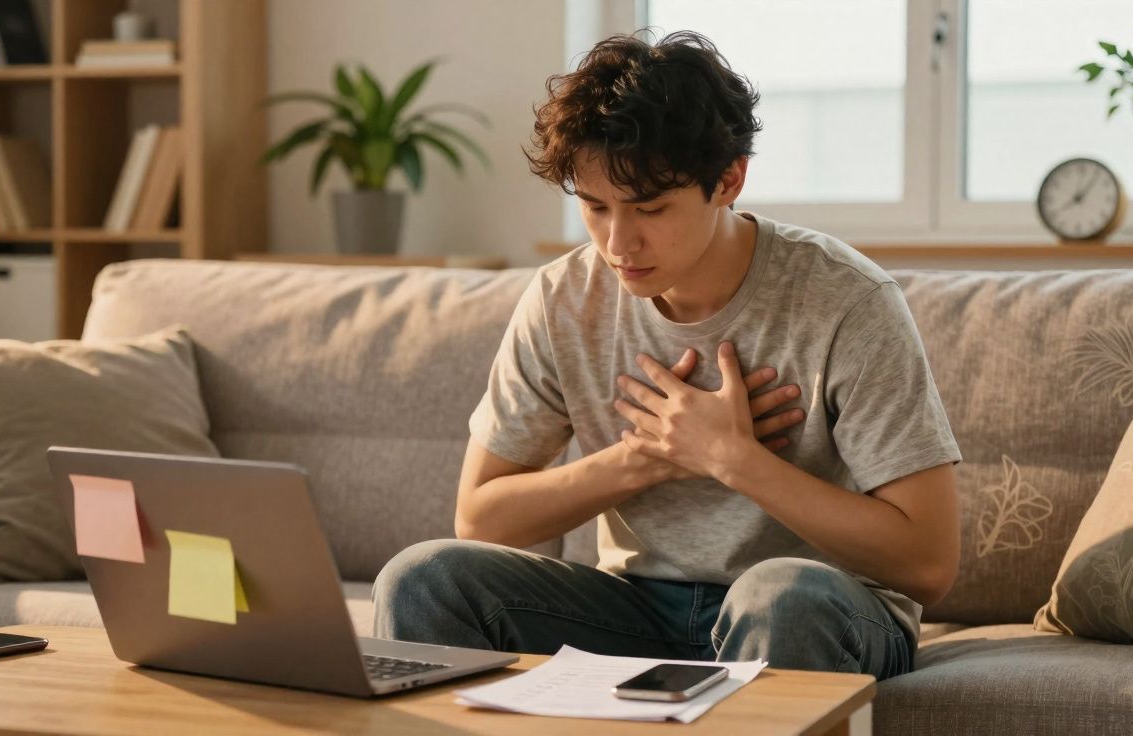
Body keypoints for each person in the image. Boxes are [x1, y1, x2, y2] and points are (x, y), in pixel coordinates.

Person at [372, 29, 962, 681]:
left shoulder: (846, 301)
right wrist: (641, 459)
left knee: (778, 597)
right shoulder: (563, 299)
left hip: (821, 607)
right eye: (595, 207)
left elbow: (928, 564)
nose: (618, 241)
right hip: (636, 609)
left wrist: (732, 458)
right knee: (422, 580)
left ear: (729, 179)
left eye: (650, 208)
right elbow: (480, 517)